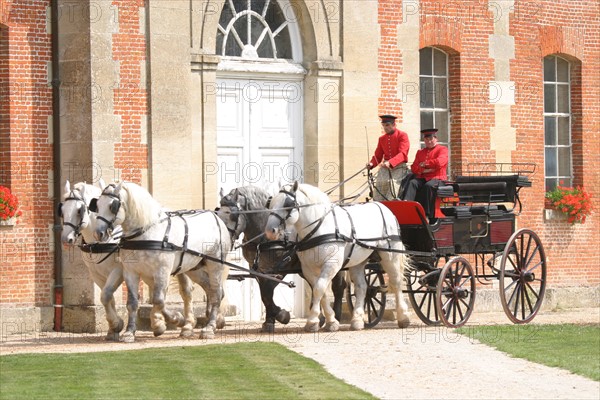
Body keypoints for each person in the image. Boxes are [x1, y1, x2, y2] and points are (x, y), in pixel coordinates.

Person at [401, 128, 448, 220]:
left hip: (438, 178)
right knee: (413, 183)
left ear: (436, 139)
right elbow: (414, 167)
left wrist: (424, 164)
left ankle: (426, 214)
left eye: (431, 139)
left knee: (428, 186)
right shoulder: (420, 152)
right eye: (426, 139)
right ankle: (407, 207)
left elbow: (440, 162)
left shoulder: (442, 149)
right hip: (424, 177)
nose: (429, 141)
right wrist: (424, 170)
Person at [366, 115, 410, 201]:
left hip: (399, 167)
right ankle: (378, 205)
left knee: (392, 184)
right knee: (379, 184)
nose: (385, 128)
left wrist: (390, 162)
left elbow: (403, 153)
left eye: (387, 125)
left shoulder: (402, 135)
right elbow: (377, 156)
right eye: (383, 125)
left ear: (394, 124)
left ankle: (391, 206)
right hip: (385, 167)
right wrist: (371, 164)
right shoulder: (382, 139)